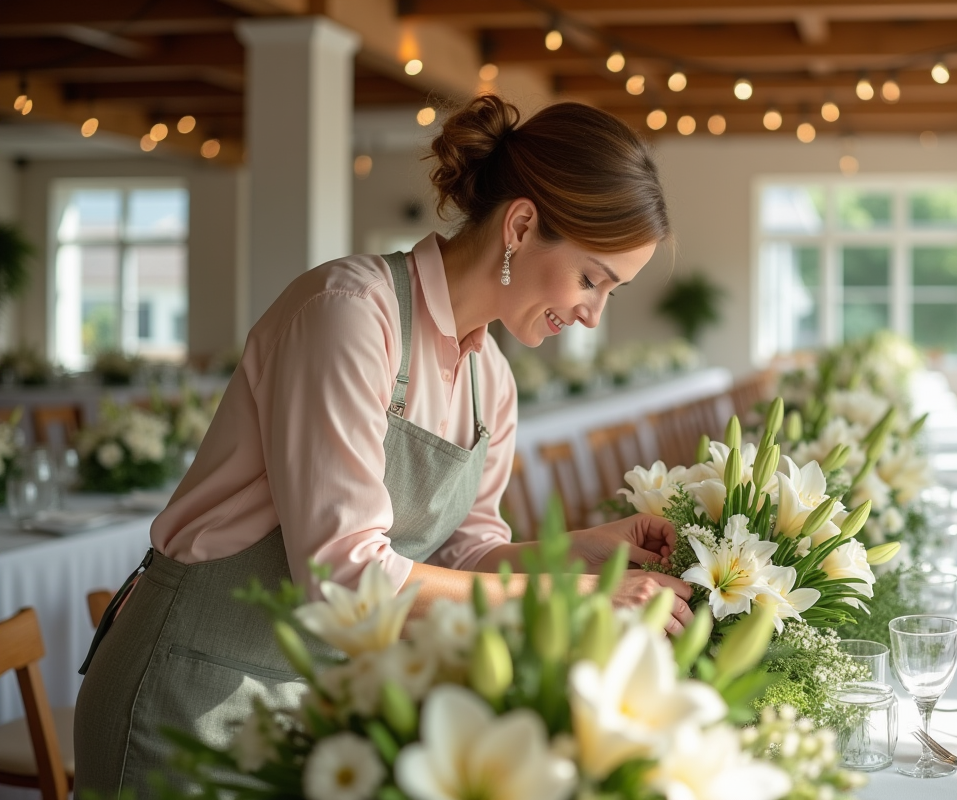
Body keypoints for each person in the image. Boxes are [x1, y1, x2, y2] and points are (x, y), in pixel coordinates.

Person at [74, 94, 693, 798]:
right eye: (592, 279)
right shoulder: (348, 314)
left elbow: (461, 556)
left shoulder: (490, 378)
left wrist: (580, 555)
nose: (591, 314)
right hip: (194, 688)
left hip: (318, 704)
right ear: (521, 224)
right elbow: (345, 576)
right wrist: (571, 605)